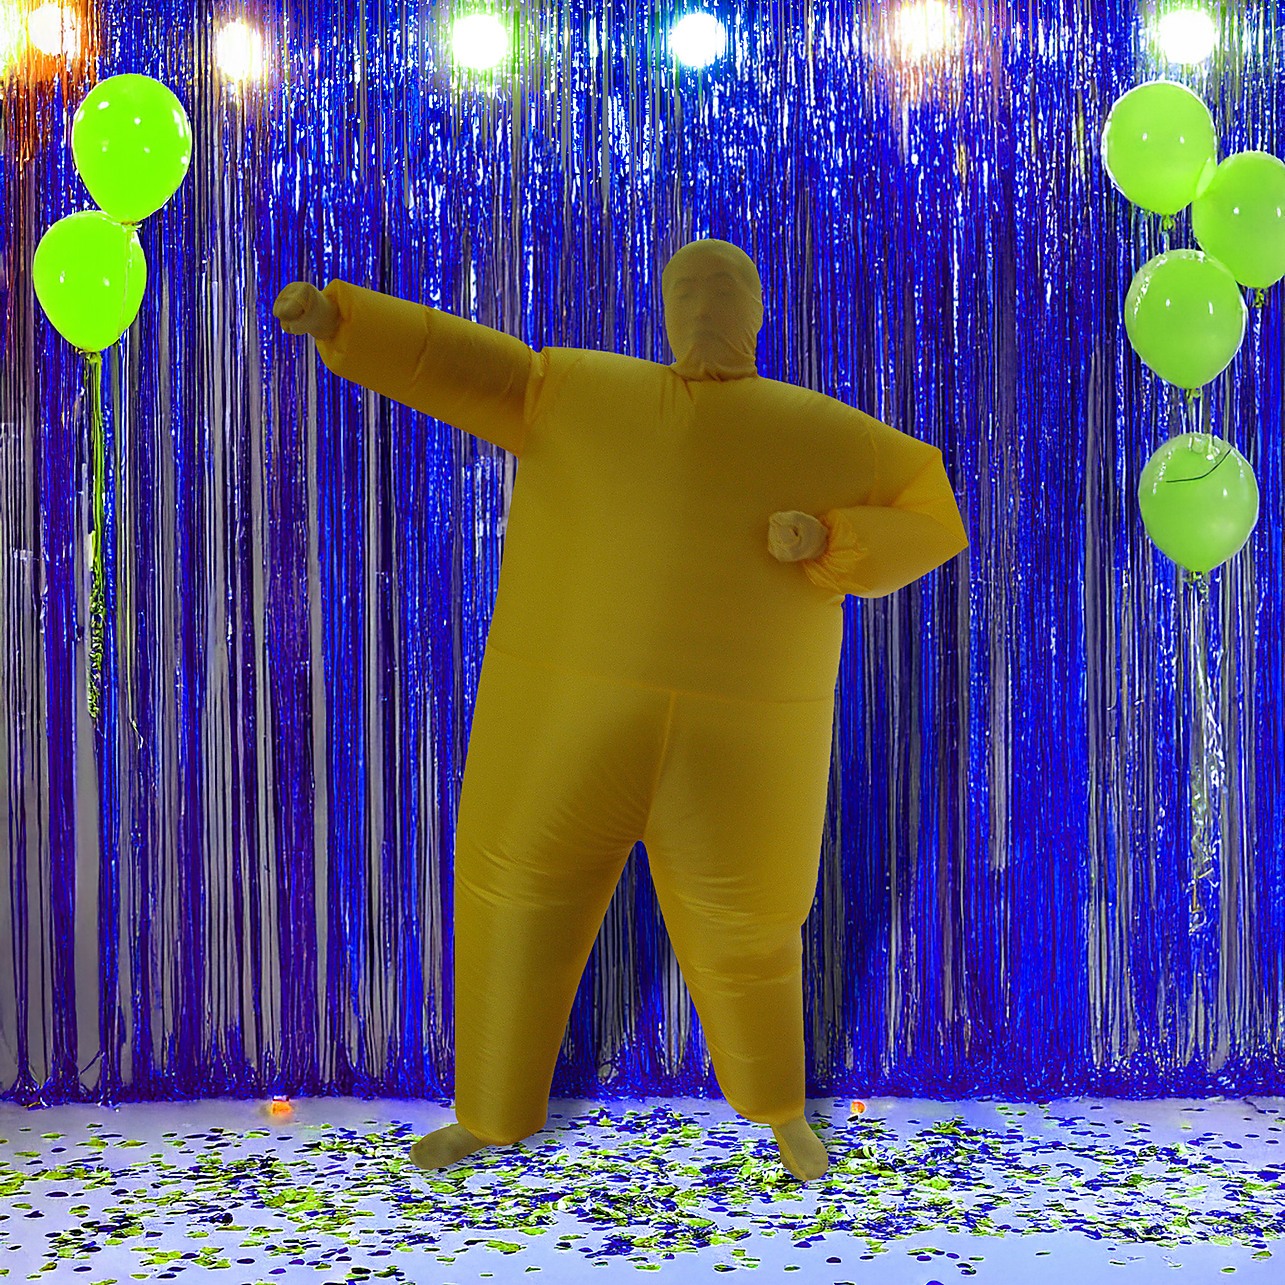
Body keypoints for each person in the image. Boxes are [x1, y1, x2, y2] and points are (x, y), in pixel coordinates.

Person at [273, 238, 968, 1181]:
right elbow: (465, 365)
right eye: (689, 293)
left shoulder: (823, 435)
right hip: (566, 717)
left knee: (750, 933)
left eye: (722, 293)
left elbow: (932, 515)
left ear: (755, 311)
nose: (705, 312)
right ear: (666, 309)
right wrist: (343, 321)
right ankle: (488, 1113)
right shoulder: (582, 392)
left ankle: (779, 1111)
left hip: (737, 737)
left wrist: (833, 539)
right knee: (514, 901)